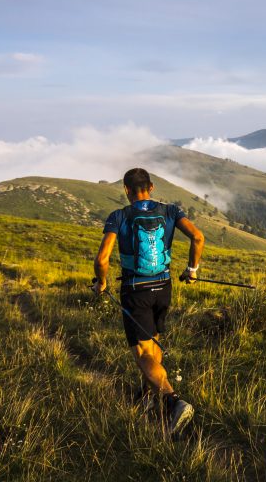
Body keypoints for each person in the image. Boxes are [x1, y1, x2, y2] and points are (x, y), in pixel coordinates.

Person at [92, 168, 204, 435]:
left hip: (135, 290)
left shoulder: (119, 216)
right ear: (151, 187)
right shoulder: (171, 210)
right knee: (153, 343)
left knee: (143, 354)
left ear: (127, 190)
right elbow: (198, 237)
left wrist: (102, 282)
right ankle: (147, 395)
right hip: (163, 287)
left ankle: (172, 401)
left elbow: (101, 260)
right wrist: (192, 270)